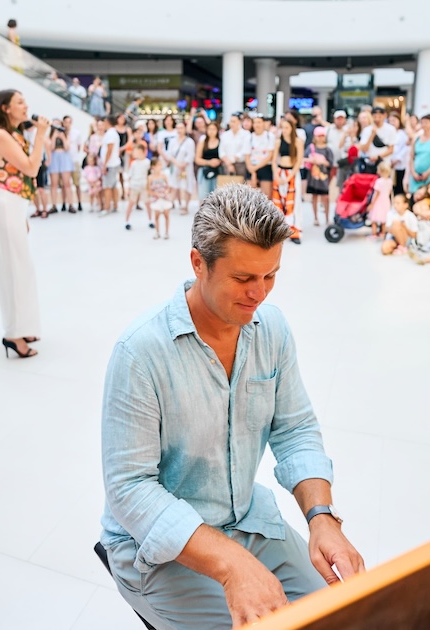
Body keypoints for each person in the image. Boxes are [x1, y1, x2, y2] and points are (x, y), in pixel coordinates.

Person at [100, 185, 363, 629]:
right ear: (198, 263)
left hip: (245, 521)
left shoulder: (271, 329)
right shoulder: (140, 353)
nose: (259, 294)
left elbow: (295, 428)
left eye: (270, 276)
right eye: (243, 279)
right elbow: (130, 489)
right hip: (157, 548)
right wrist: (230, 564)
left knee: (341, 615)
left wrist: (321, 517)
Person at [0, 89, 45, 359]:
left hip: (15, 205)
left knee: (22, 268)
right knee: (12, 270)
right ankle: (12, 334)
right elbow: (31, 168)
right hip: (6, 204)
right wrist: (41, 134)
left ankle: (24, 326)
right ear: (5, 108)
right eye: (20, 102)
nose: (25, 106)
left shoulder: (15, 134)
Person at [270, 117, 304, 244]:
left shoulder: (298, 141)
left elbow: (299, 161)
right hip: (280, 172)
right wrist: (277, 176)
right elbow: (274, 161)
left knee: (294, 203)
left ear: (292, 128)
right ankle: (280, 231)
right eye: (282, 127)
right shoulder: (279, 141)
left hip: (292, 174)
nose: (284, 130)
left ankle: (295, 231)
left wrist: (289, 177)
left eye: (287, 128)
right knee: (278, 202)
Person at [163, 123, 196, 215]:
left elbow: (191, 155)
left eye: (181, 128)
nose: (179, 130)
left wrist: (183, 165)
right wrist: (177, 164)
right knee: (173, 185)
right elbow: (169, 154)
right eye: (177, 128)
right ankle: (170, 204)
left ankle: (185, 206)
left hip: (186, 167)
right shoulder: (173, 141)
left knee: (187, 185)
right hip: (175, 166)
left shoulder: (189, 141)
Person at [305, 127, 334, 227]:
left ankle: (327, 218)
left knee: (325, 197)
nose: (321, 138)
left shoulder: (327, 149)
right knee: (314, 197)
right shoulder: (311, 147)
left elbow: (331, 163)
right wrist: (311, 160)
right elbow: (304, 158)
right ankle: (316, 218)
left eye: (322, 136)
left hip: (324, 177)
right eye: (319, 136)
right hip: (313, 177)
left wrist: (323, 162)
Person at [125, 143, 152, 230]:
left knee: (147, 203)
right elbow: (130, 176)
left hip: (144, 185)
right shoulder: (133, 163)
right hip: (134, 185)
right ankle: (127, 221)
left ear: (143, 152)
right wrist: (128, 188)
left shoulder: (147, 162)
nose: (135, 154)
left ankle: (150, 220)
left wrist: (149, 186)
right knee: (131, 203)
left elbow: (149, 175)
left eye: (137, 152)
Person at [195, 120, 223, 201]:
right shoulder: (203, 141)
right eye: (209, 129)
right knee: (204, 196)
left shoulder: (221, 141)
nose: (211, 131)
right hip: (205, 171)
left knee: (217, 196)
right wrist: (209, 162)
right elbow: (197, 159)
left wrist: (218, 161)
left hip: (218, 170)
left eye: (213, 129)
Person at [247, 117, 275, 196]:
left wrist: (256, 168)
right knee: (250, 196)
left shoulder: (270, 136)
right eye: (255, 122)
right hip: (252, 167)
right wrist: (253, 172)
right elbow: (247, 156)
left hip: (265, 167)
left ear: (263, 123)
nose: (257, 125)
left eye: (259, 122)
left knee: (267, 196)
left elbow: (270, 156)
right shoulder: (249, 137)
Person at [368, 161, 394, 240]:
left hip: (378, 202)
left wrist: (372, 204)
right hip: (386, 201)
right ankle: (382, 233)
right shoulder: (390, 181)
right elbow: (389, 192)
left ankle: (374, 234)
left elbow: (377, 193)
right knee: (383, 219)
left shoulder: (379, 181)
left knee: (374, 219)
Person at [147, 157, 172, 239]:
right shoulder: (150, 177)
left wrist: (166, 192)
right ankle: (157, 232)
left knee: (166, 215)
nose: (160, 166)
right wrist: (156, 194)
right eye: (159, 165)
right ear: (153, 166)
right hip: (156, 199)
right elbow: (148, 189)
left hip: (165, 197)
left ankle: (166, 232)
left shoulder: (164, 176)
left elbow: (168, 187)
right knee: (157, 216)